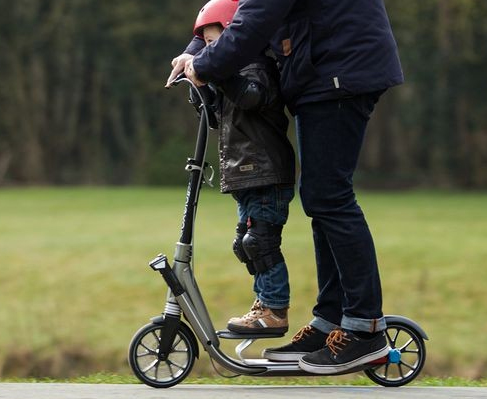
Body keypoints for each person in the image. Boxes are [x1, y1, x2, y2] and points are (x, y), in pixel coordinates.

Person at [167, 0, 403, 374]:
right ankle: (331, 321)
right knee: (322, 197)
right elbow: (232, 9)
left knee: (331, 197)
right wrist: (194, 52)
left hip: (339, 69)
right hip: (324, 71)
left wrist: (207, 65)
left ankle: (364, 328)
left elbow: (256, 16)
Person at [189, 0, 297, 335]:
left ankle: (274, 310)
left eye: (214, 44)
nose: (209, 52)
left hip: (266, 172)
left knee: (260, 243)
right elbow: (213, 114)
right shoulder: (231, 74)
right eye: (205, 45)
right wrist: (199, 85)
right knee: (245, 245)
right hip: (247, 174)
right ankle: (263, 303)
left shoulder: (256, 67)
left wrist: (214, 72)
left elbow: (251, 97)